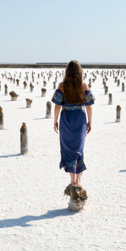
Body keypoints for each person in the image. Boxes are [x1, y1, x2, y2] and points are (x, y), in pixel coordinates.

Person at [52, 60, 95, 189]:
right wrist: (89, 122)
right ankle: (78, 179)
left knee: (68, 150)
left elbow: (57, 107)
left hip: (65, 120)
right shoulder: (84, 86)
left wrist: (55, 122)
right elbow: (89, 107)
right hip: (79, 119)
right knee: (79, 149)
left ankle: (72, 180)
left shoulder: (62, 86)